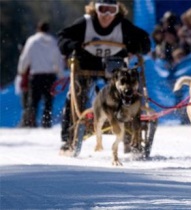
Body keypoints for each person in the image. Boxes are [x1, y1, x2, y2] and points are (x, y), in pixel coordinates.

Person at [57, 0, 151, 152]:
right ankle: (69, 136)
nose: (107, 15)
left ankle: (130, 131)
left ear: (117, 11)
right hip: (87, 63)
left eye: (111, 10)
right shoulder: (85, 23)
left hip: (115, 65)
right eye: (103, 10)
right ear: (95, 9)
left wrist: (136, 46)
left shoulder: (122, 25)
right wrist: (72, 46)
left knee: (125, 91)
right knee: (75, 92)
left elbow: (145, 40)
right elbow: (62, 37)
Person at [17, 21, 64, 128]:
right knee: (48, 101)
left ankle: (31, 122)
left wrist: (21, 70)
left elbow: (25, 57)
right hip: (50, 76)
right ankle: (46, 122)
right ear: (48, 30)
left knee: (33, 101)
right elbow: (58, 59)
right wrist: (60, 74)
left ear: (37, 29)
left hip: (36, 76)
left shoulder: (32, 41)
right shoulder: (53, 41)